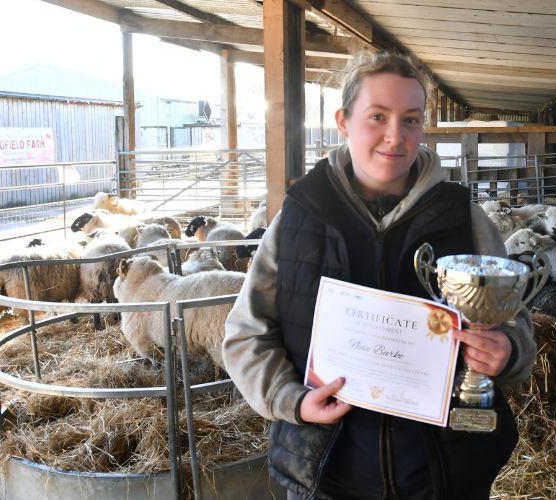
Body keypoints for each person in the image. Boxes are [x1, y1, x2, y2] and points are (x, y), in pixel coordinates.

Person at [223, 52, 535, 500]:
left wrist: (506, 352)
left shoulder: (463, 219)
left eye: (411, 120)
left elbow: (515, 324)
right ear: (344, 122)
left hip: (442, 476)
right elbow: (246, 334)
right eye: (377, 116)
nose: (395, 136)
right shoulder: (298, 218)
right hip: (327, 476)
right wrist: (292, 400)